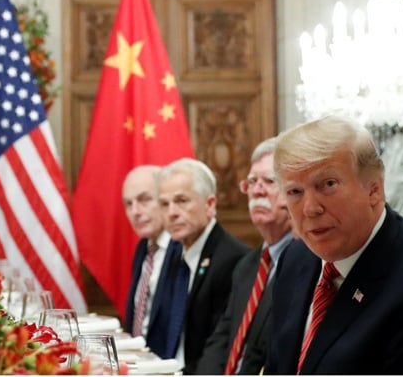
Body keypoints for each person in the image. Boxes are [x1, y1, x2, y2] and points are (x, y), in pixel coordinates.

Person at [265, 115, 403, 375]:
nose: (310, 209)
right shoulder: (295, 258)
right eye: (295, 192)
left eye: (327, 185)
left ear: (374, 190)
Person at [197, 137, 293, 374]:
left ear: (294, 190)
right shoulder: (247, 266)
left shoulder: (307, 265)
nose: (257, 191)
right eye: (252, 182)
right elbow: (220, 343)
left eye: (269, 181)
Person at [148, 158, 249, 374]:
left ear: (210, 204)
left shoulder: (233, 259)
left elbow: (220, 348)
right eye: (164, 204)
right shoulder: (175, 254)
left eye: (182, 201)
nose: (172, 212)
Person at [121, 164, 178, 347]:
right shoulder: (143, 248)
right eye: (128, 204)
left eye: (144, 200)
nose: (135, 212)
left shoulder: (182, 249)